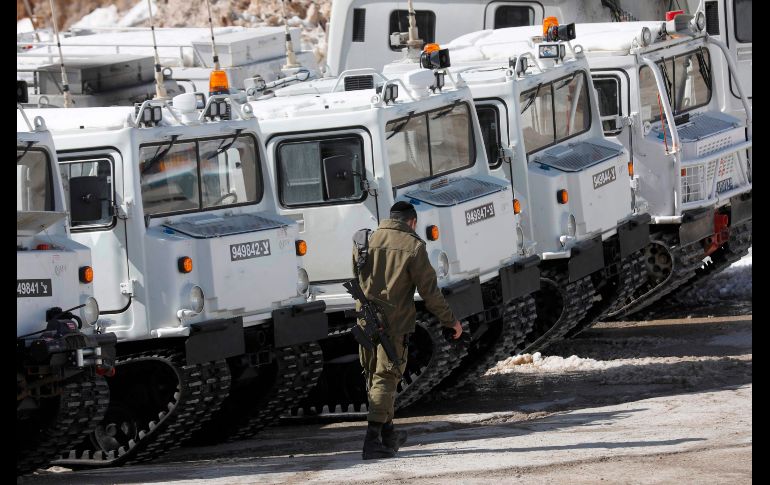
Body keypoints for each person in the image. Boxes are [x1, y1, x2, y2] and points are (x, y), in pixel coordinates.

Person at [352, 201, 463, 460]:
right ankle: (372, 441)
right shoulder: (413, 247)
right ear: (412, 222)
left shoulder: (364, 240)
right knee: (387, 376)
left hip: (365, 321)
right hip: (392, 324)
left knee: (373, 376)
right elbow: (430, 293)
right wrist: (451, 322)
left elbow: (358, 279)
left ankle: (388, 434)